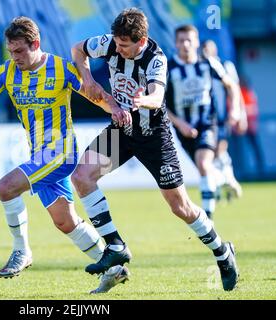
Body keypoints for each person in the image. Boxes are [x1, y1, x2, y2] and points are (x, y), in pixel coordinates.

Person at [0, 16, 131, 292]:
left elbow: (95, 96)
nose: (14, 57)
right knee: (65, 221)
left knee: (6, 187)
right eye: (10, 52)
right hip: (40, 155)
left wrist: (119, 109)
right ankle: (113, 269)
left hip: (60, 152)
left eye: (19, 51)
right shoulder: (6, 72)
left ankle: (21, 251)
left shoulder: (60, 68)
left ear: (35, 44)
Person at [70, 8, 239, 291]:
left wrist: (140, 100)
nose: (119, 50)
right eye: (117, 44)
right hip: (123, 131)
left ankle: (223, 252)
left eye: (125, 46)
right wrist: (88, 78)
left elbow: (158, 96)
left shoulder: (156, 59)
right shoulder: (111, 42)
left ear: (142, 40)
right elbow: (78, 50)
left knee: (180, 207)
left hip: (153, 135)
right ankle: (115, 245)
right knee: (82, 177)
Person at [166, 25, 243, 220]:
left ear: (197, 42)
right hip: (183, 128)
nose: (185, 44)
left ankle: (207, 218)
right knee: (205, 169)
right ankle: (223, 178)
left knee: (203, 163)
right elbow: (160, 103)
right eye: (181, 40)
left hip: (208, 123)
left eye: (189, 40)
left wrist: (234, 109)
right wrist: (180, 123)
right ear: (175, 43)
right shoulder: (168, 68)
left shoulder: (208, 63)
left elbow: (232, 85)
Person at [201, 40, 246, 201]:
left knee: (219, 150)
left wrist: (241, 115)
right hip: (207, 118)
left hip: (223, 117)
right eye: (204, 49)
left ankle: (225, 181)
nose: (206, 52)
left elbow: (236, 90)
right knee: (212, 154)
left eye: (209, 49)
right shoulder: (201, 68)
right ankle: (225, 181)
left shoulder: (225, 66)